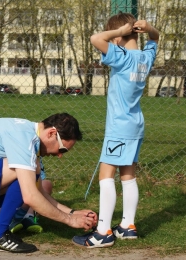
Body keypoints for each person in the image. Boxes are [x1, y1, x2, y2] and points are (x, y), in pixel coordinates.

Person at [0, 113, 98, 253]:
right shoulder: (25, 139)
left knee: (29, 176)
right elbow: (30, 197)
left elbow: (39, 191)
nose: (60, 155)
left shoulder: (28, 134)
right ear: (51, 133)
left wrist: (72, 213)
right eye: (62, 149)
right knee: (27, 175)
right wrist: (70, 221)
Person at [72, 13, 159, 248]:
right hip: (136, 125)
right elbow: (155, 37)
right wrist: (150, 28)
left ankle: (102, 232)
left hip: (119, 127)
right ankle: (127, 226)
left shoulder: (120, 56)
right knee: (128, 175)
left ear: (118, 38)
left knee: (106, 176)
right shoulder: (144, 57)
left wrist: (117, 33)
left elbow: (95, 38)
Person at [0, 157, 52, 234]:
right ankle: (7, 218)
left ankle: (29, 216)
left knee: (45, 184)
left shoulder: (31, 151)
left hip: (23, 199)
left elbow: (38, 179)